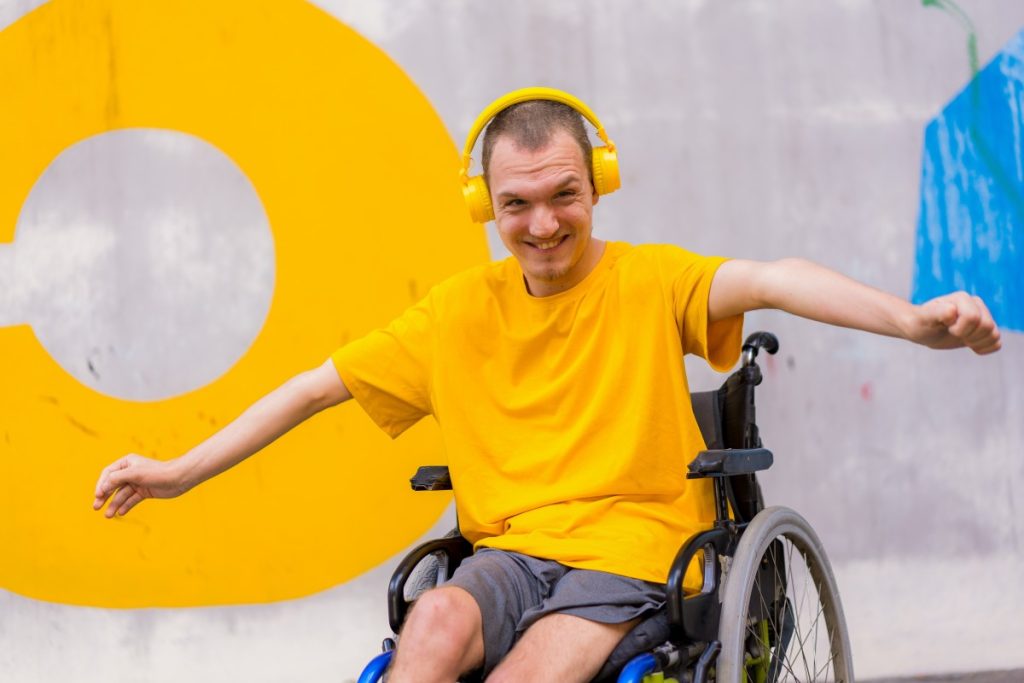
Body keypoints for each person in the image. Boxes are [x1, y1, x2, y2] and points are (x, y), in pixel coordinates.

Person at [93, 89, 1001, 683]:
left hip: (630, 552)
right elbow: (310, 389)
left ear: (597, 184)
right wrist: (177, 470)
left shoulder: (649, 281)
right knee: (436, 624)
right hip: (512, 553)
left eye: (563, 194)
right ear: (486, 204)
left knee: (531, 674)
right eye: (516, 203)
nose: (542, 224)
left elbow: (774, 277)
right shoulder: (454, 313)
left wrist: (915, 322)